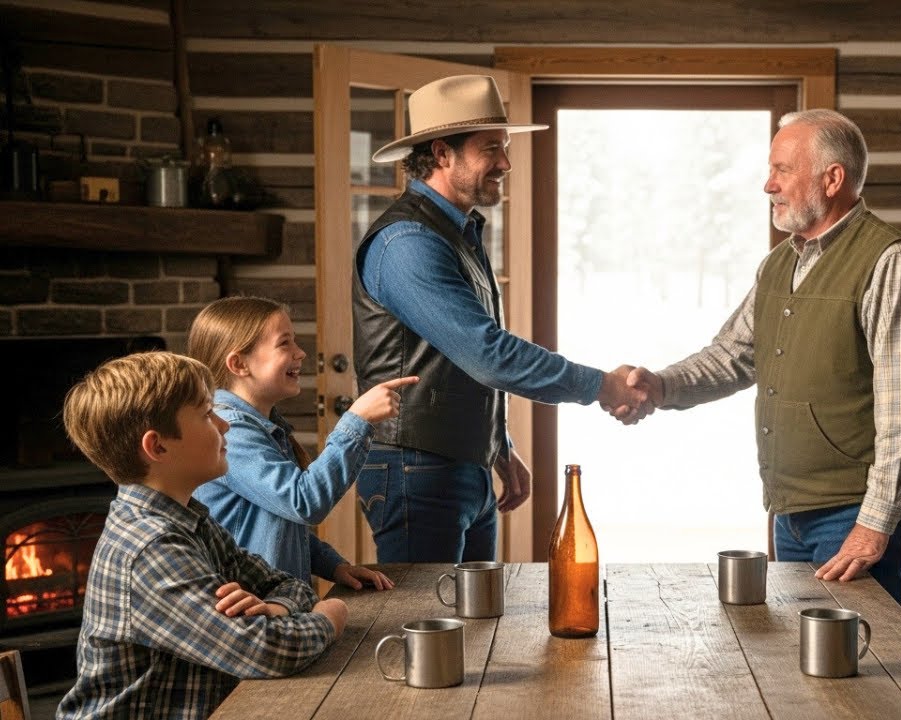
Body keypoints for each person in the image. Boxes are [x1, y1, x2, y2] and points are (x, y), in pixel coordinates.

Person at [620, 109, 901, 604]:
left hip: (852, 515)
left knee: (854, 667)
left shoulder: (890, 262)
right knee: (806, 658)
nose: (768, 185)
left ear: (832, 178)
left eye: (781, 170)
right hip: (788, 511)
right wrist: (660, 386)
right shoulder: (778, 263)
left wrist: (874, 524)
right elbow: (734, 354)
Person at [355, 74, 647, 563]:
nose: (506, 163)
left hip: (456, 467)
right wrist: (603, 385)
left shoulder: (455, 230)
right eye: (492, 148)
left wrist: (499, 445)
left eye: (505, 147)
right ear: (443, 153)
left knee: (473, 626)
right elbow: (489, 353)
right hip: (415, 471)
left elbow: (457, 359)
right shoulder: (407, 243)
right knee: (429, 628)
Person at [56, 351, 347, 719]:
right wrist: (328, 618)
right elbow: (265, 651)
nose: (224, 426)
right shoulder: (150, 548)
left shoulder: (191, 521)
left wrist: (276, 607)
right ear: (158, 446)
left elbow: (286, 584)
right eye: (207, 414)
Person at [188, 296, 415, 589]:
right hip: (256, 615)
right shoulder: (231, 431)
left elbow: (281, 524)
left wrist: (334, 566)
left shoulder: (257, 425)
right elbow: (303, 502)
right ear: (239, 363)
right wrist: (357, 419)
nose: (301, 353)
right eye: (285, 343)